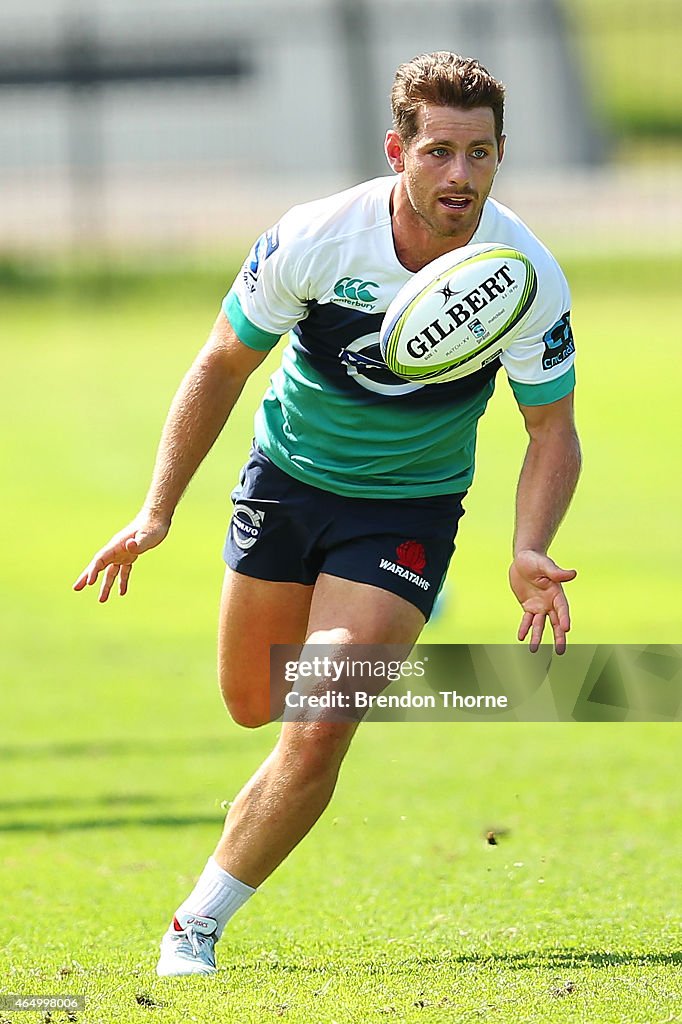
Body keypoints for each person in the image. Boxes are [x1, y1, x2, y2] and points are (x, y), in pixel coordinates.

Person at [73, 51, 581, 976]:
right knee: (254, 702)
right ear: (398, 150)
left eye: (479, 153)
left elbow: (551, 428)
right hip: (288, 481)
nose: (459, 176)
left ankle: (195, 925)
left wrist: (529, 547)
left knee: (318, 720)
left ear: (503, 153)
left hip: (407, 511)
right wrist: (157, 511)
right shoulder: (316, 238)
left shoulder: (523, 275)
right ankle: (311, 725)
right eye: (437, 152)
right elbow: (223, 364)